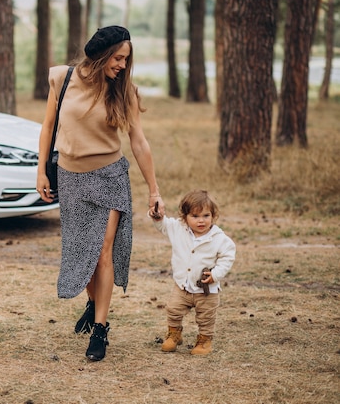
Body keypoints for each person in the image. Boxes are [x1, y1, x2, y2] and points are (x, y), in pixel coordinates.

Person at [37, 25, 164, 361]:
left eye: (126, 59)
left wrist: (154, 191)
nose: (122, 65)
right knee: (86, 254)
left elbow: (138, 141)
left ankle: (100, 330)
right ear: (101, 55)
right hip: (70, 178)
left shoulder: (124, 92)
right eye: (117, 58)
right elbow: (49, 126)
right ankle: (93, 303)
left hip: (109, 177)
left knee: (103, 252)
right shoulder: (61, 79)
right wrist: (40, 171)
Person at [148, 189, 236, 355]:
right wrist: (157, 216)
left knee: (206, 317)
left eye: (206, 216)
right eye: (195, 216)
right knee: (173, 309)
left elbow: (228, 256)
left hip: (206, 289)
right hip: (182, 285)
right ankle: (174, 335)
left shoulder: (219, 238)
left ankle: (204, 341)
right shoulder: (178, 229)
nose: (201, 221)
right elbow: (163, 225)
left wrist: (216, 274)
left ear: (213, 216)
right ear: (185, 217)